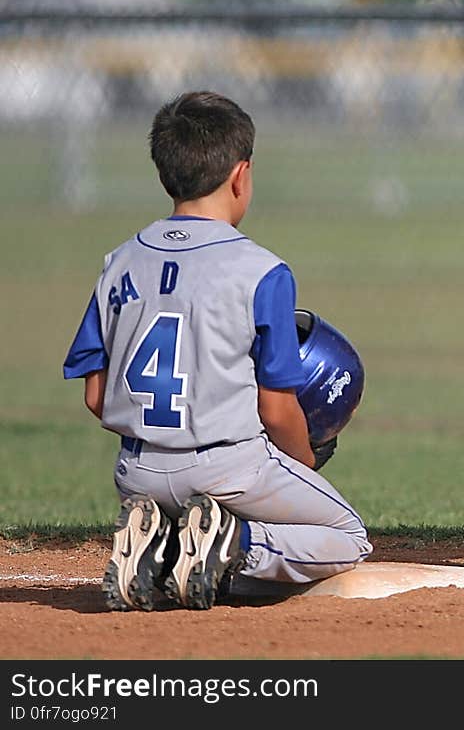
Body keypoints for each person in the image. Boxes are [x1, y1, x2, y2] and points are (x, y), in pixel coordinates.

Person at [63, 90, 372, 611]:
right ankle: (232, 543)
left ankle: (164, 545)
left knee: (203, 507)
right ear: (240, 176)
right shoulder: (261, 271)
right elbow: (276, 408)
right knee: (347, 537)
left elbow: (96, 397)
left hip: (136, 472)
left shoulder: (118, 262)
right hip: (227, 467)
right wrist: (301, 461)